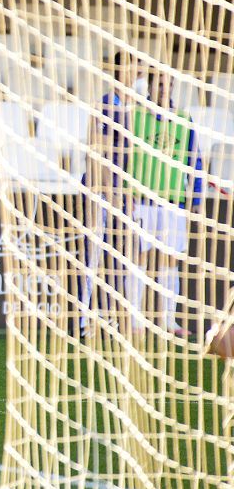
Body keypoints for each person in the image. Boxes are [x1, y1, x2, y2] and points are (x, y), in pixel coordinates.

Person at [126, 68, 202, 336]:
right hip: (142, 199)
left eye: (167, 84)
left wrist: (196, 195)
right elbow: (123, 156)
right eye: (158, 84)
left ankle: (168, 320)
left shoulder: (183, 119)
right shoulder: (134, 116)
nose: (163, 89)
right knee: (139, 258)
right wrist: (126, 190)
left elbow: (195, 160)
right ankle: (133, 320)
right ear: (149, 86)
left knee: (170, 261)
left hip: (173, 201)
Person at [80, 51, 140, 336]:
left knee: (118, 257)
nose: (134, 72)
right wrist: (110, 192)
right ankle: (84, 320)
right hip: (100, 191)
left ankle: (111, 318)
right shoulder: (106, 104)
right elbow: (99, 151)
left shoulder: (132, 107)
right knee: (94, 255)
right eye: (130, 66)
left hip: (119, 192)